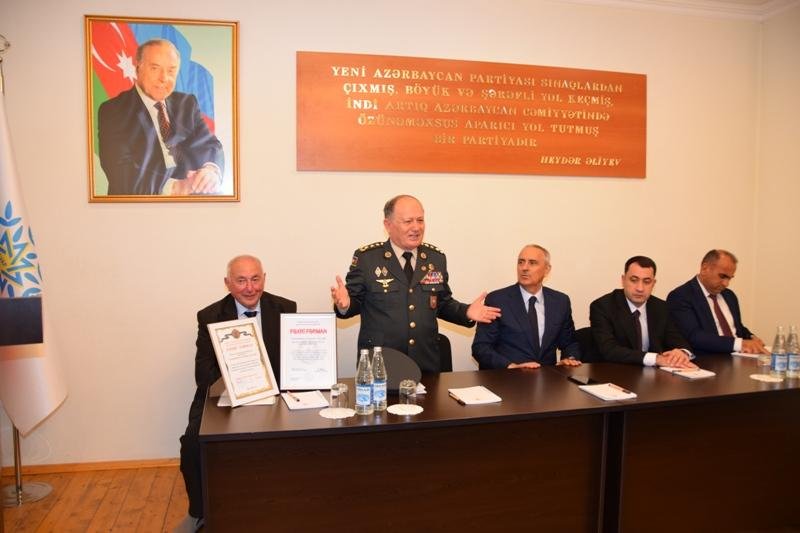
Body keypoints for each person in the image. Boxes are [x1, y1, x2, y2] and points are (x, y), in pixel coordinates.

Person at [178, 255, 296, 531]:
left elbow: (292, 360)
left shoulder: (285, 308)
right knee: (192, 444)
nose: (250, 288)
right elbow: (203, 375)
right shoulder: (209, 316)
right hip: (223, 397)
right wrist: (239, 381)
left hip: (274, 396)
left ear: (264, 279)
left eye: (255, 279)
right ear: (227, 283)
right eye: (241, 280)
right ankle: (200, 512)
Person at [330, 194, 501, 373]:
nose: (416, 227)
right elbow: (353, 303)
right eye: (408, 221)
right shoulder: (368, 259)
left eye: (420, 220)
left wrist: (466, 312)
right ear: (388, 225)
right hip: (381, 365)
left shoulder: (435, 258)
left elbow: (442, 303)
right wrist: (344, 305)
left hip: (425, 364)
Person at [98, 38, 224, 196]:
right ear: (138, 68)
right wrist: (176, 187)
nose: (164, 78)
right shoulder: (113, 110)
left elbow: (210, 144)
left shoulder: (187, 104)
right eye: (155, 68)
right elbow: (121, 172)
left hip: (193, 202)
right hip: (140, 206)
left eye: (171, 70)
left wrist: (211, 171)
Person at [472, 244, 581, 369]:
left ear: (547, 269)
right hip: (508, 377)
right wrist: (511, 367)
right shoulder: (497, 300)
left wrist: (569, 359)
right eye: (521, 262)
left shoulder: (560, 301)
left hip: (547, 377)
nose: (524, 268)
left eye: (532, 263)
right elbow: (481, 347)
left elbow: (569, 343)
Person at [590, 256, 695, 368]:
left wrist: (682, 353)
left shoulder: (661, 307)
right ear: (623, 280)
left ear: (653, 283)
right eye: (634, 280)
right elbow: (609, 350)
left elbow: (677, 339)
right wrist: (656, 359)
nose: (640, 288)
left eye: (647, 282)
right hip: (616, 372)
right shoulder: (602, 307)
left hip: (654, 375)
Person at [667, 249, 767, 356]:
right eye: (722, 276)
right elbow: (694, 336)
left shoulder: (729, 295)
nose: (726, 284)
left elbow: (737, 327)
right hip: (709, 359)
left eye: (730, 278)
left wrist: (752, 337)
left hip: (739, 356)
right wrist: (739, 344)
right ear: (704, 268)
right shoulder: (681, 296)